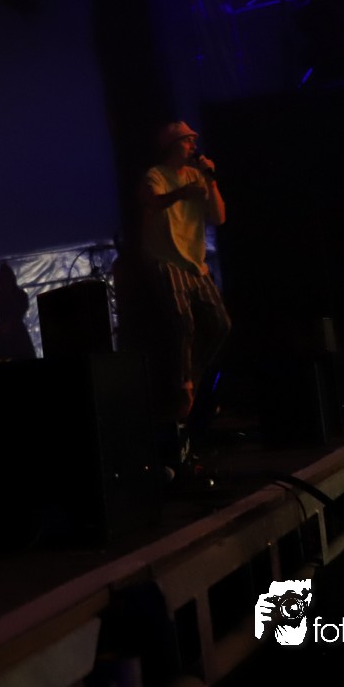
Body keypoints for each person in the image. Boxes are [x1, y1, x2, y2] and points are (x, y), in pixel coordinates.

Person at [139, 120, 229, 471]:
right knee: (183, 320)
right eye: (188, 140)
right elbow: (152, 200)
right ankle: (185, 385)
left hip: (194, 262)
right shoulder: (157, 175)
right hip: (166, 258)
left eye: (194, 140)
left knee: (221, 324)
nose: (194, 145)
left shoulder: (196, 175)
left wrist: (210, 180)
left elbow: (218, 217)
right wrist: (181, 194)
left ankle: (193, 374)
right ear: (173, 145)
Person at [0, 261, 36, 359]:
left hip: (17, 333)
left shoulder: (20, 294)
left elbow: (22, 309)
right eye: (2, 279)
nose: (5, 282)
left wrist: (10, 323)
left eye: (6, 279)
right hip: (3, 334)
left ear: (11, 279)